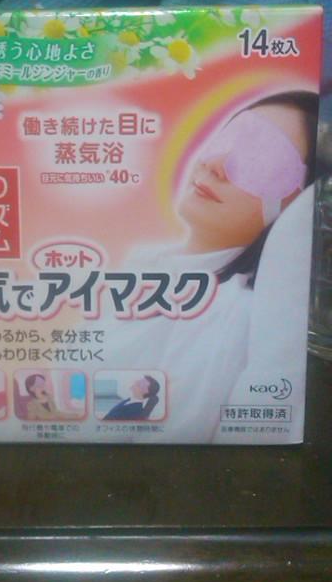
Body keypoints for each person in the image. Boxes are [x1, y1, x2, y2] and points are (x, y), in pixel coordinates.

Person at [100, 91, 318, 442]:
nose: (216, 163)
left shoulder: (231, 316)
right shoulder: (142, 267)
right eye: (229, 137)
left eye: (259, 159)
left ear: (298, 201)